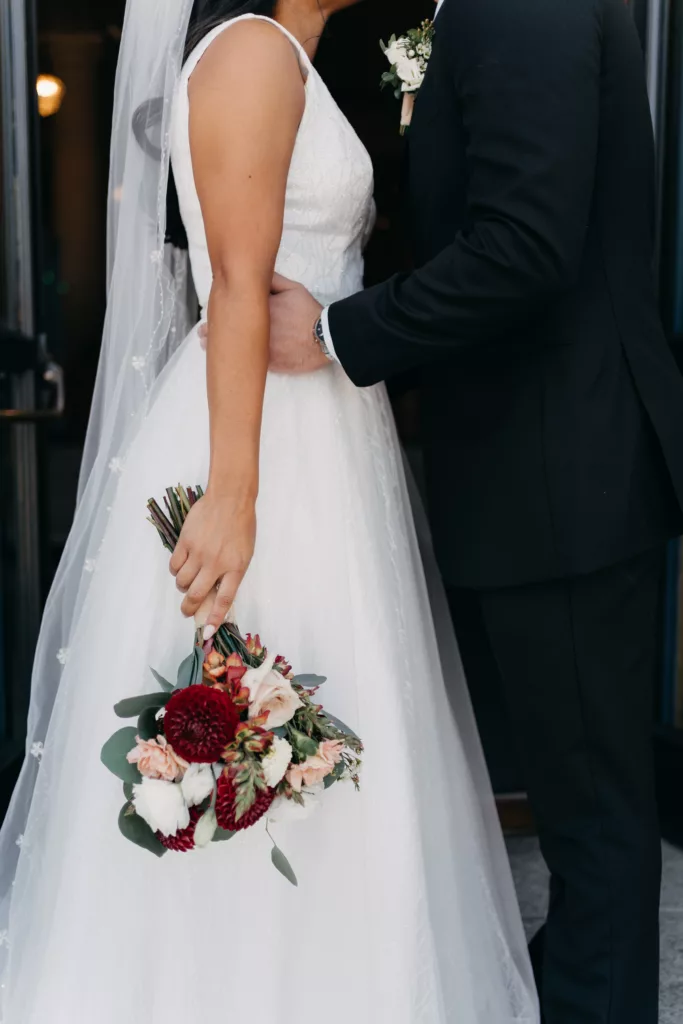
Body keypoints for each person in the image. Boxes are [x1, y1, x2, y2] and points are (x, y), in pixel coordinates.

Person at [0, 0, 539, 1021]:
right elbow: (238, 289)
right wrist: (235, 496)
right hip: (263, 448)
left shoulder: (294, 55)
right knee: (256, 725)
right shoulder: (250, 51)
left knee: (337, 740)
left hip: (328, 444)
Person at [266, 0, 683, 1022]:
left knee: (591, 816)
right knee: (583, 804)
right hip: (544, 471)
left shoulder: (519, 6)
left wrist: (338, 329)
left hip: (561, 471)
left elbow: (523, 245)